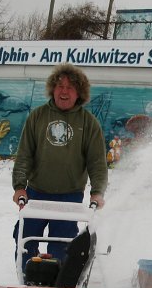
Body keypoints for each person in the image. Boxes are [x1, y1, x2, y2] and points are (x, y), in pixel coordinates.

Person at [11, 63, 108, 272]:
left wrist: (97, 192)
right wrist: (19, 187)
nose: (64, 91)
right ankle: (27, 278)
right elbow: (24, 155)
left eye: (70, 87)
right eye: (60, 86)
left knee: (62, 245)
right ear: (52, 89)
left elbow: (97, 162)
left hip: (70, 197)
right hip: (36, 194)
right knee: (25, 239)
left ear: (79, 93)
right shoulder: (37, 116)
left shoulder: (89, 123)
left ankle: (56, 281)